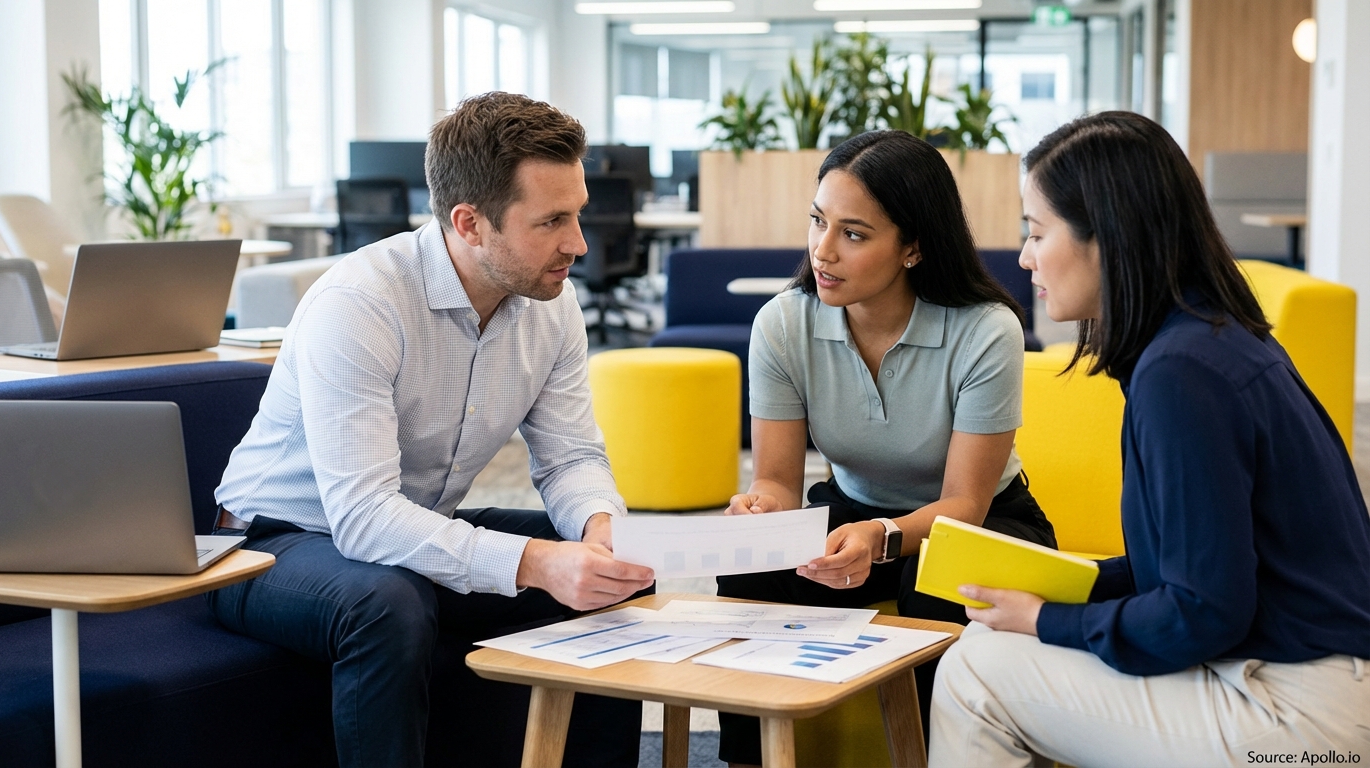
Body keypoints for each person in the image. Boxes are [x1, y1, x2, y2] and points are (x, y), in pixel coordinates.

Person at [207, 92, 655, 768]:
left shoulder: (551, 303)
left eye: (578, 214)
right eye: (552, 221)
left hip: (407, 525)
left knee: (623, 572)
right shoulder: (361, 302)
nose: (579, 244)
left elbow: (569, 459)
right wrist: (536, 563)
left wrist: (599, 526)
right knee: (390, 602)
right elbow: (361, 518)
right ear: (469, 223)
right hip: (268, 545)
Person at [929, 111, 1370, 767]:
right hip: (1304, 677)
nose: (1024, 257)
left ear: (1106, 236)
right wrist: (1058, 588)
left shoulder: (1181, 373)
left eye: (1036, 232)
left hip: (1298, 713)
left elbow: (1203, 611)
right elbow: (1185, 570)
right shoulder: (1209, 340)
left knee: (975, 675)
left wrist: (1046, 620)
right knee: (992, 648)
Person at [714, 129, 1056, 766]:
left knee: (932, 581)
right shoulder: (783, 323)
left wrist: (884, 536)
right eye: (818, 221)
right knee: (749, 564)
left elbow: (965, 504)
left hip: (982, 521)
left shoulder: (986, 330)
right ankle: (752, 757)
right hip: (854, 511)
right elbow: (778, 482)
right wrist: (762, 511)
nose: (823, 250)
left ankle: (932, 756)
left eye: (853, 233)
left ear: (913, 247)